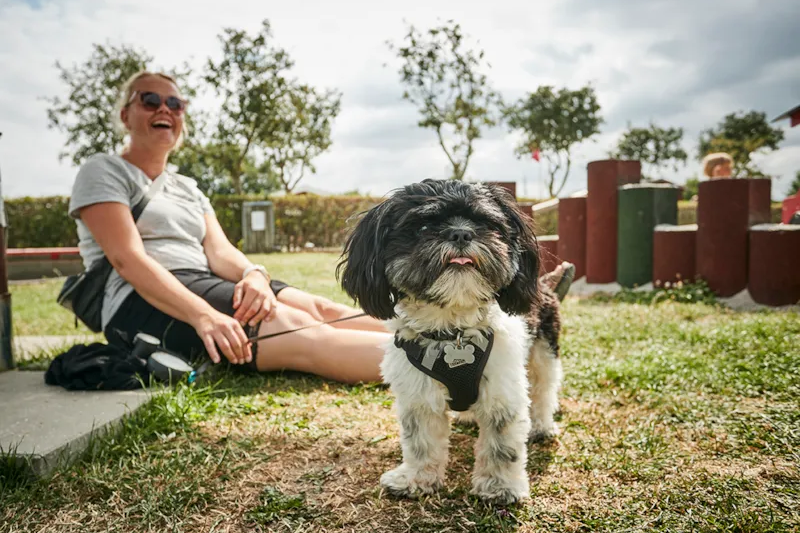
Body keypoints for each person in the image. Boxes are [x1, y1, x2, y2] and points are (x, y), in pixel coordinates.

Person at [69, 70, 572, 385]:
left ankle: (492, 330)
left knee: (316, 306)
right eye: (150, 100)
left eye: (174, 103)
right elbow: (126, 258)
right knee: (293, 331)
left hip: (204, 280)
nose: (164, 110)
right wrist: (205, 317)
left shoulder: (187, 186)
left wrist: (255, 277)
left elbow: (220, 251)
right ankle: (472, 355)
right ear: (126, 113)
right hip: (138, 297)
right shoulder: (104, 170)